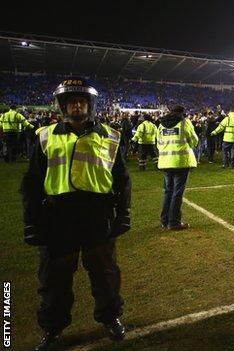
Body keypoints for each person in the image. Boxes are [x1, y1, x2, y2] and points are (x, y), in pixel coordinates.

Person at [20, 78, 131, 350]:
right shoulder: (46, 136)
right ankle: (52, 328)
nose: (77, 105)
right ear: (63, 106)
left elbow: (122, 178)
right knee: (54, 278)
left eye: (82, 101)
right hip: (58, 218)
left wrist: (123, 213)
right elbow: (32, 182)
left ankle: (111, 318)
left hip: (97, 215)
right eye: (72, 101)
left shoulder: (110, 135)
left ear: (90, 105)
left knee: (105, 273)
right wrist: (31, 221)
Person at [157, 105, 198, 230]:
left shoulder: (161, 125)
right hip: (180, 162)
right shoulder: (185, 123)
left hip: (165, 162)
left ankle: (165, 220)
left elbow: (158, 143)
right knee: (177, 193)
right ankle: (174, 222)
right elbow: (194, 140)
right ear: (182, 113)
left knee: (168, 191)